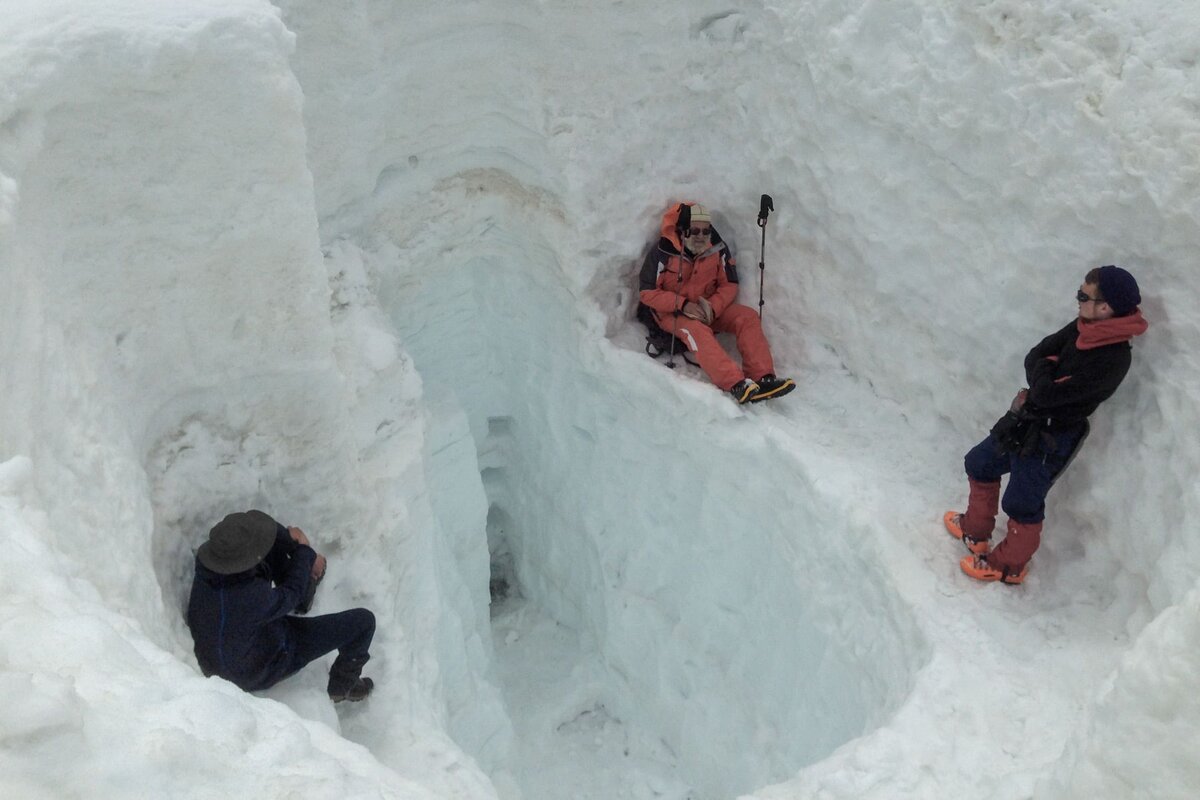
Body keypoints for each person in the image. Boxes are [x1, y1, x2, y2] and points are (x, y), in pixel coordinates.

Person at [944, 266, 1148, 584]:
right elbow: (1036, 355)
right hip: (1026, 419)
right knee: (980, 463)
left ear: (1105, 307)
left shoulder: (1114, 359)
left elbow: (1048, 391)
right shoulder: (1084, 326)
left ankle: (1008, 566)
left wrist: (1044, 371)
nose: (1077, 300)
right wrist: (1046, 368)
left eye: (1083, 295)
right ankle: (975, 531)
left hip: (1052, 437)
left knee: (1022, 503)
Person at [187, 510, 376, 701]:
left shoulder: (210, 563)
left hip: (236, 639)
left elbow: (263, 533)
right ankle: (342, 686)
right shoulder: (251, 599)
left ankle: (305, 587)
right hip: (256, 668)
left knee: (270, 549)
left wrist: (289, 540)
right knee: (364, 623)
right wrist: (304, 550)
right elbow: (291, 594)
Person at [638, 201, 794, 404]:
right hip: (672, 314)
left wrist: (713, 306)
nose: (701, 236)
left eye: (705, 230)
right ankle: (735, 383)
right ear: (683, 230)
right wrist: (683, 304)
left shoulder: (717, 250)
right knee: (696, 330)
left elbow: (729, 284)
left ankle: (763, 377)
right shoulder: (662, 252)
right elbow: (647, 293)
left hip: (708, 309)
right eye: (695, 230)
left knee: (746, 316)